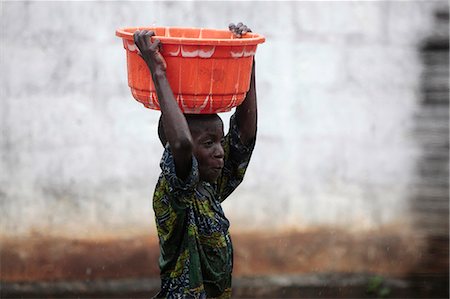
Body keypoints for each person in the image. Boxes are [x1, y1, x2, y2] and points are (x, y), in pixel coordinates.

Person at [133, 22, 257, 299]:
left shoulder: (209, 188)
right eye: (208, 143)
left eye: (219, 141)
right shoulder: (175, 194)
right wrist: (157, 70)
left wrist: (247, 58)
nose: (220, 151)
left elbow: (245, 135)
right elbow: (181, 143)